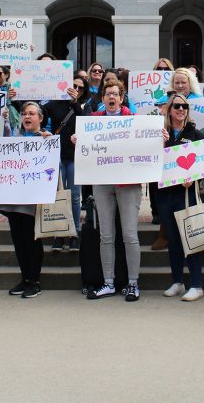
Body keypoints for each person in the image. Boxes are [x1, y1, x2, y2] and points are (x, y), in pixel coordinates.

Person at [74, 80, 145, 302]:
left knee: (129, 234)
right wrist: (78, 140)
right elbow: (85, 148)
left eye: (115, 94)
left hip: (128, 185)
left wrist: (157, 139)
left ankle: (133, 283)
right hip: (103, 183)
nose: (111, 97)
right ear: (103, 99)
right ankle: (108, 282)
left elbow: (145, 146)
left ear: (122, 98)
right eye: (107, 94)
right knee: (106, 235)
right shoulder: (93, 121)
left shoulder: (133, 120)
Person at [156, 93, 204, 301]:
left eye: (184, 106)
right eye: (176, 106)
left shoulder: (195, 134)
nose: (180, 109)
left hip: (185, 194)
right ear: (169, 109)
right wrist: (158, 144)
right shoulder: (160, 133)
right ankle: (177, 281)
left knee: (190, 236)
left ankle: (196, 284)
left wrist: (193, 177)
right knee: (173, 238)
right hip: (164, 193)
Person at [0, 102, 51, 299]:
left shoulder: (47, 138)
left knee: (31, 240)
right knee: (18, 240)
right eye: (24, 114)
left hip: (33, 199)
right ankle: (24, 278)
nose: (27, 117)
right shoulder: (14, 138)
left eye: (31, 114)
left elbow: (54, 169)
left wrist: (48, 142)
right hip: (13, 198)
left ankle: (34, 280)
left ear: (40, 118)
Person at [41, 81, 84, 251]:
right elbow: (40, 115)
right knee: (58, 195)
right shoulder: (53, 104)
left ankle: (74, 233)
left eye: (80, 87)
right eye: (74, 85)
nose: (76, 89)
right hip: (56, 156)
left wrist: (75, 103)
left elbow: (84, 122)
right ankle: (59, 233)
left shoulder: (82, 106)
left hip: (74, 157)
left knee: (74, 197)